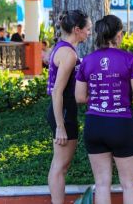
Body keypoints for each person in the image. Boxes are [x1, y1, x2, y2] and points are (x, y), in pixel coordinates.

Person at [75, 15, 133, 204]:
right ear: (119, 34)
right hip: (121, 124)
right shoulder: (129, 59)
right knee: (129, 184)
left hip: (94, 124)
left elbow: (80, 97)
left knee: (102, 183)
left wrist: (99, 98)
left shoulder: (87, 60)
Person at [46, 10, 92, 204]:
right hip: (63, 113)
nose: (89, 33)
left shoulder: (64, 49)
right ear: (77, 29)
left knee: (60, 165)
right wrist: (60, 125)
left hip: (65, 111)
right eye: (87, 29)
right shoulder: (68, 54)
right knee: (60, 166)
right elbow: (57, 92)